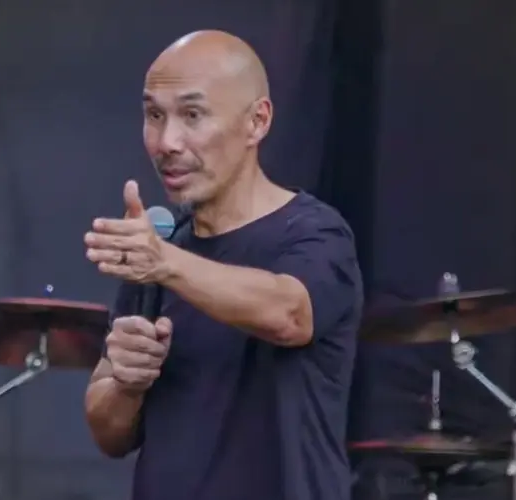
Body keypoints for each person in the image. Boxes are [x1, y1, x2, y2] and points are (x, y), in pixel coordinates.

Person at [83, 30, 364, 500]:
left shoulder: (314, 232)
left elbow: (289, 315)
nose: (167, 142)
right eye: (155, 115)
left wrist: (165, 262)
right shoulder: (161, 248)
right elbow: (109, 435)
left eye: (192, 115)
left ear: (257, 121)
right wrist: (127, 386)